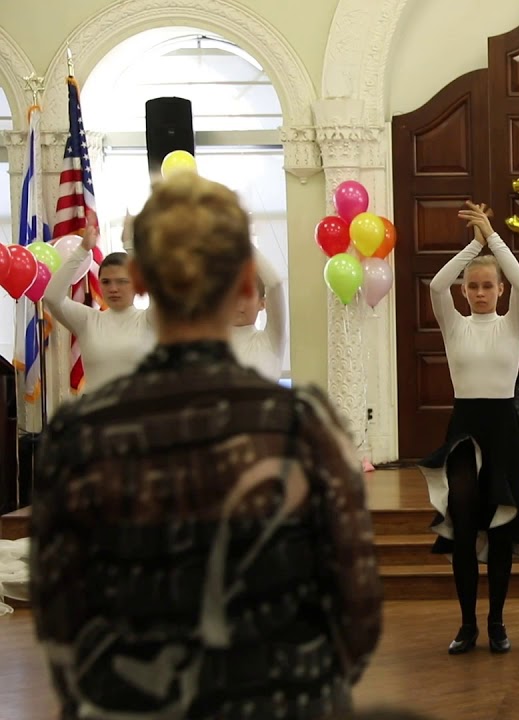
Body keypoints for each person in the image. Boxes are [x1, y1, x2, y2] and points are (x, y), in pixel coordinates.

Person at [28, 173, 382, 720]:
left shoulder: (79, 437)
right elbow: (356, 619)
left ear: (140, 281)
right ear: (246, 280)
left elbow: (60, 625)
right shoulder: (304, 426)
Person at [418, 201, 519, 656]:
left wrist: (494, 238)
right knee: (465, 528)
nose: (481, 292)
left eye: (489, 285)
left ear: (500, 291)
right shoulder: (455, 325)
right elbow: (435, 284)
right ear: (465, 292)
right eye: (474, 286)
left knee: (501, 526)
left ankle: (497, 622)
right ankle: (467, 624)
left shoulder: (512, 324)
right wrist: (474, 245)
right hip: (464, 429)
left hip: (502, 428)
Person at [44, 227, 155, 390]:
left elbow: (162, 289)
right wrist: (82, 250)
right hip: (95, 413)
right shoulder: (88, 320)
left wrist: (130, 246)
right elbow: (52, 297)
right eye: (106, 282)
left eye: (122, 281)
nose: (113, 288)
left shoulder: (150, 319)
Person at [230, 245, 288, 382]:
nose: (239, 301)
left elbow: (275, 285)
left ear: (262, 303)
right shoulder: (211, 345)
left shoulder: (271, 340)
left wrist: (239, 238)